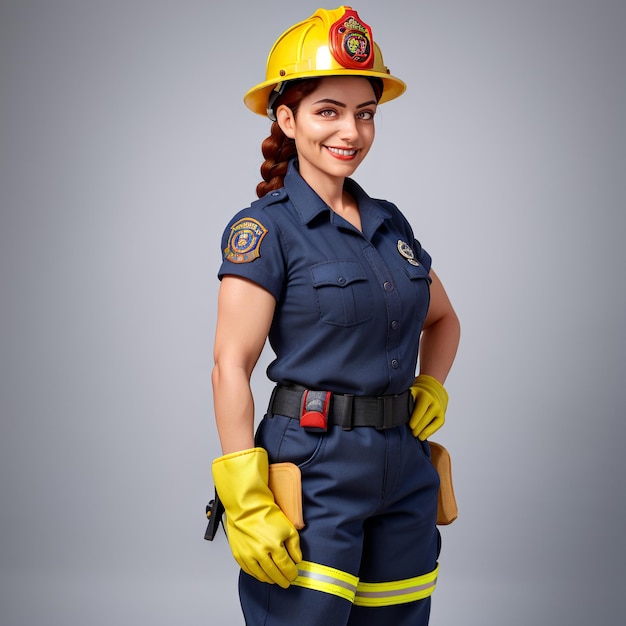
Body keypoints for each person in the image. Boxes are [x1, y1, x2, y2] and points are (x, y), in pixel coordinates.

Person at [209, 6, 460, 625]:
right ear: (287, 118)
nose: (351, 130)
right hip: (314, 467)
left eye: (365, 113)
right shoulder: (265, 230)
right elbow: (229, 364)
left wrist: (430, 385)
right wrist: (244, 498)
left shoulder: (388, 222)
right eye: (329, 110)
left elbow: (444, 318)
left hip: (402, 465)